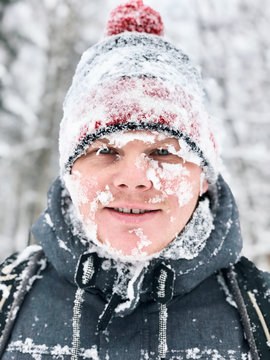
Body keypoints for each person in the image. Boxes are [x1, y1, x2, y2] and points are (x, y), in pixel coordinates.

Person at [0, 1, 270, 359]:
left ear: (204, 175)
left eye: (163, 153)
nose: (133, 180)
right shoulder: (7, 296)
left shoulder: (261, 311)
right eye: (104, 151)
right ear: (70, 172)